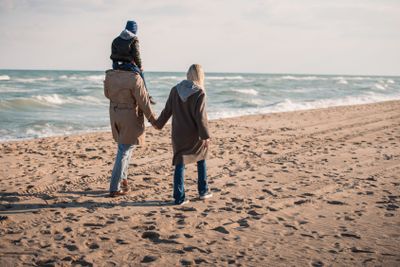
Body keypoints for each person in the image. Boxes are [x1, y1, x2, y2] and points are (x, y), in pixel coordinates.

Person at [155, 64, 212, 205]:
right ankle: (203, 191)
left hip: (178, 134)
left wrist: (158, 124)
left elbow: (167, 111)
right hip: (194, 134)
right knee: (201, 157)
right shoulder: (200, 92)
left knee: (180, 162)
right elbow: (201, 117)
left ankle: (179, 198)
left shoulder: (175, 90)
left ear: (188, 74)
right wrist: (205, 136)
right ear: (200, 76)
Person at [104, 68, 157, 197]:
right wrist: (153, 119)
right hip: (130, 116)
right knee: (124, 149)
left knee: (126, 147)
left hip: (115, 113)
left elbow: (107, 94)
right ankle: (114, 187)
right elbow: (143, 101)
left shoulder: (110, 75)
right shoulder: (135, 78)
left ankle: (123, 181)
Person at [110, 20, 155, 104]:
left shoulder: (115, 40)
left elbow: (113, 54)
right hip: (128, 66)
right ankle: (147, 95)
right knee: (141, 74)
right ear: (134, 29)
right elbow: (136, 54)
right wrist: (140, 66)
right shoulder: (134, 39)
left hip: (116, 65)